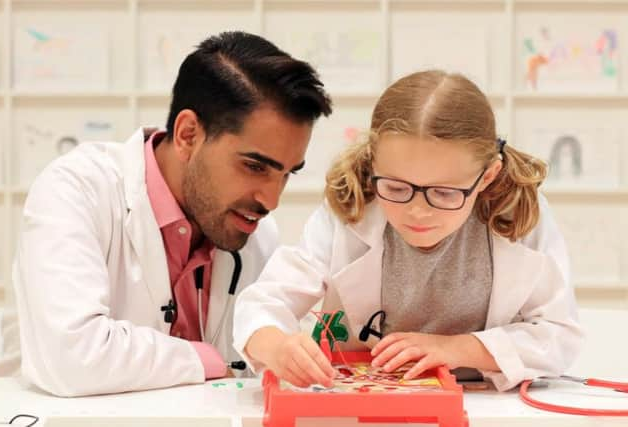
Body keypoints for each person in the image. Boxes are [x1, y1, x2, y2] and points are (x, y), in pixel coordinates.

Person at [0, 31, 332, 397]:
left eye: (287, 173)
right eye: (254, 166)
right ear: (187, 134)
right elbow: (71, 356)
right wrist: (209, 359)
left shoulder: (256, 232)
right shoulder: (76, 190)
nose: (272, 200)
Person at [233, 70, 582, 392]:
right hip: (364, 399)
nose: (418, 210)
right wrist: (275, 344)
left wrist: (456, 348)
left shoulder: (518, 214)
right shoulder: (350, 207)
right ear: (374, 164)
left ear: (487, 176)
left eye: (445, 193)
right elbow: (263, 302)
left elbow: (558, 336)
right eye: (397, 188)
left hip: (482, 404)